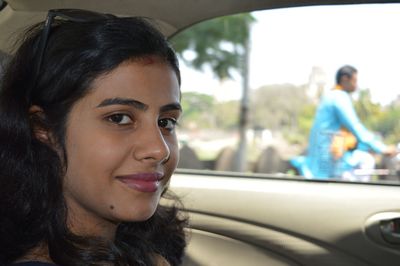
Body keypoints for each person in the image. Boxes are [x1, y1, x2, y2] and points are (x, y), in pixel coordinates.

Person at [0, 9, 187, 266]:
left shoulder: (146, 252)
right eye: (119, 118)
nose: (159, 149)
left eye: (166, 122)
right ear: (44, 128)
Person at [291, 65, 395, 181]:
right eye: (355, 81)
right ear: (345, 79)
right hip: (328, 156)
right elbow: (355, 127)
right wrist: (382, 148)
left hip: (323, 155)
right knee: (367, 160)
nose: (356, 85)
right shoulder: (339, 97)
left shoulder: (329, 95)